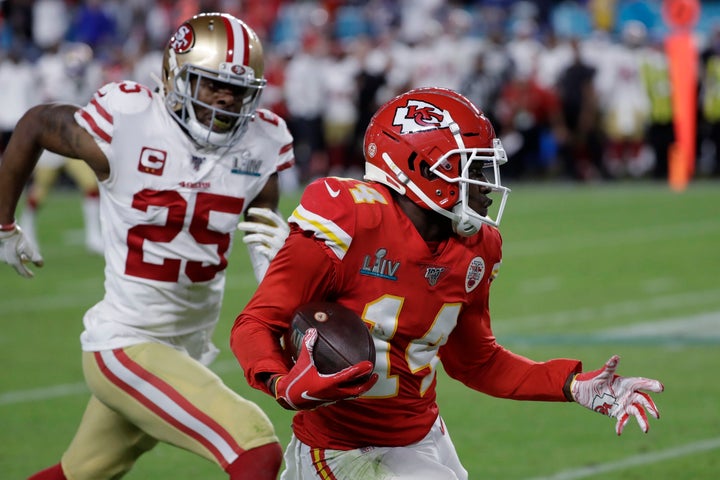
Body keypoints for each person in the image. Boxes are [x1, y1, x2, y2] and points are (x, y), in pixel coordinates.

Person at [230, 87, 664, 480]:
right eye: (472, 168)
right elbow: (255, 323)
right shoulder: (350, 220)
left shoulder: (477, 248)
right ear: (420, 169)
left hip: (423, 435)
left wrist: (571, 384)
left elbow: (477, 362)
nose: (487, 186)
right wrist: (280, 383)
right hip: (343, 449)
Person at [0, 12, 294, 480]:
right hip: (126, 342)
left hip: (185, 347)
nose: (226, 98)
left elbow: (261, 233)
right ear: (176, 76)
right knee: (255, 447)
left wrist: (283, 280)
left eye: (239, 90)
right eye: (211, 84)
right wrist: (4, 225)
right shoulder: (129, 122)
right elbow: (36, 123)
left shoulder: (261, 142)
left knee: (79, 473)